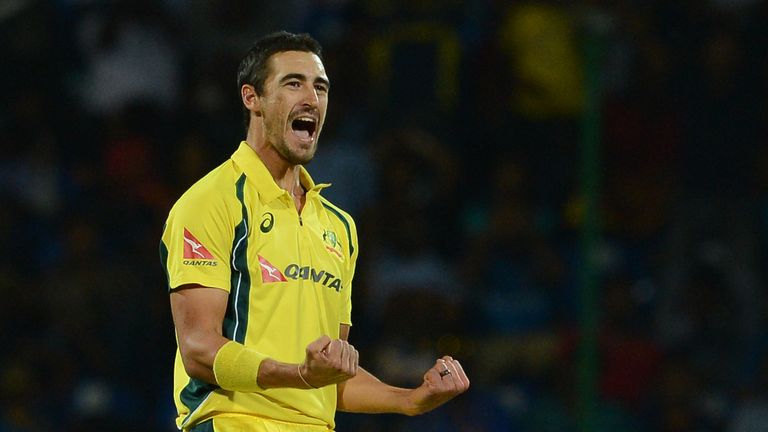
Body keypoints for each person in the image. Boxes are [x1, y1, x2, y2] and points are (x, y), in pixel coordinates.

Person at [159, 31, 469, 432]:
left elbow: (331, 377)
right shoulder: (211, 202)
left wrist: (408, 400)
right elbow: (199, 349)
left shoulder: (340, 227)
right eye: (293, 83)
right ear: (252, 98)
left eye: (320, 87)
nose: (311, 98)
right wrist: (299, 375)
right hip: (233, 422)